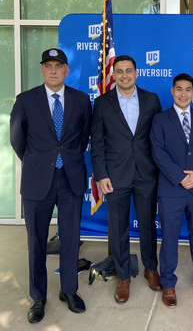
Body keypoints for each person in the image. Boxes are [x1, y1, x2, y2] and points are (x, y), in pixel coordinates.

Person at [10, 48, 92, 323]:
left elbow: (82, 139)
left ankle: (69, 291)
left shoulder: (81, 100)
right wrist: (38, 162)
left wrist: (64, 159)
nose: (54, 70)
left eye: (59, 66)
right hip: (37, 181)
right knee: (36, 242)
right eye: (49, 66)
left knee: (70, 239)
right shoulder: (25, 100)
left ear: (66, 70)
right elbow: (17, 140)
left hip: (71, 178)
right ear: (42, 70)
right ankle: (38, 297)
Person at [90, 55, 162, 304]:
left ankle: (151, 269)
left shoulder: (152, 99)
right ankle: (123, 276)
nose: (124, 75)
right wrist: (101, 175)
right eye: (119, 71)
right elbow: (97, 143)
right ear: (114, 75)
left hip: (146, 173)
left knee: (147, 225)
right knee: (118, 227)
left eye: (128, 70)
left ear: (136, 73)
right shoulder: (101, 103)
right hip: (114, 175)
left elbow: (160, 137)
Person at [150, 73, 193, 308]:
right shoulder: (160, 120)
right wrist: (181, 177)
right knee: (169, 238)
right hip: (171, 190)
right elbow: (158, 153)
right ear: (172, 91)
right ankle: (168, 282)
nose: (183, 94)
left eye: (188, 89)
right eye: (179, 89)